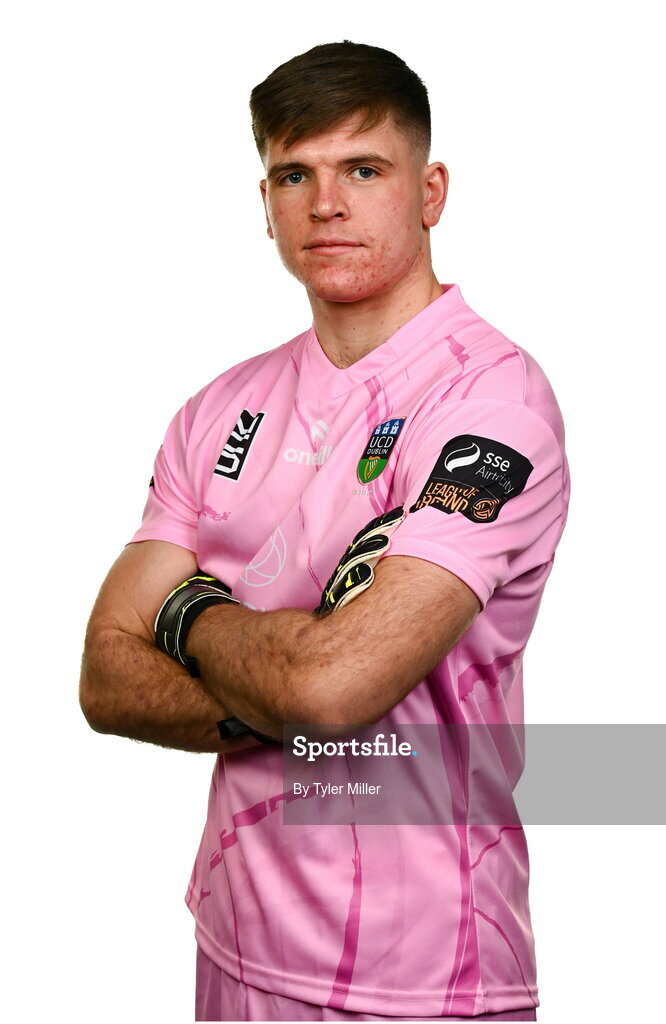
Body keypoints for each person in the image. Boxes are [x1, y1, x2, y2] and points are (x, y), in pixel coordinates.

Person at [79, 40, 569, 1022]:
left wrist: (184, 612)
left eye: (363, 169)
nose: (326, 203)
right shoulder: (219, 408)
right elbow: (102, 678)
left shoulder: (490, 404)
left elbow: (335, 687)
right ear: (264, 204)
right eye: (294, 174)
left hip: (426, 972)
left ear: (430, 190)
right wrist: (297, 679)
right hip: (235, 936)